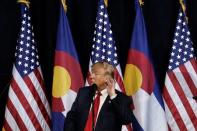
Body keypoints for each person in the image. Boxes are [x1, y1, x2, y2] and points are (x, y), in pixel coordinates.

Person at [64, 61, 134, 131]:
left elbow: (126, 119)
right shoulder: (83, 92)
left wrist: (112, 95)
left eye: (96, 74)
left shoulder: (121, 98)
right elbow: (71, 116)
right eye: (92, 73)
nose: (91, 76)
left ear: (107, 78)